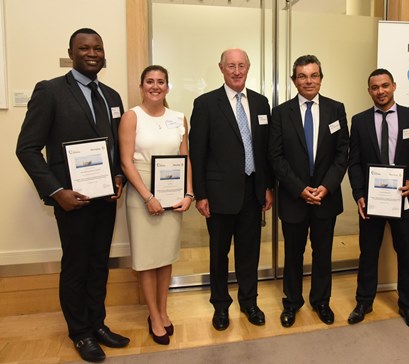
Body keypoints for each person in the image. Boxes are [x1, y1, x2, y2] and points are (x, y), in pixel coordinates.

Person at [15, 28, 129, 362]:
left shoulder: (111, 96)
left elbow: (114, 148)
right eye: (84, 48)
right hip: (72, 201)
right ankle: (80, 333)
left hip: (105, 199)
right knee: (76, 266)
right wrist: (56, 191)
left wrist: (119, 176)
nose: (92, 53)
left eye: (97, 48)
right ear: (71, 52)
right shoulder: (50, 91)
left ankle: (98, 324)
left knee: (99, 265)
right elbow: (27, 149)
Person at [189, 48, 273, 331]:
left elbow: (265, 152)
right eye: (231, 66)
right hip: (219, 194)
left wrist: (267, 188)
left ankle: (249, 302)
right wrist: (201, 194)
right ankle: (221, 306)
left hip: (253, 192)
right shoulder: (205, 104)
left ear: (249, 67)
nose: (236, 71)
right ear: (221, 68)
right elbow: (197, 153)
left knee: (249, 253)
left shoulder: (262, 103)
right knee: (219, 254)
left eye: (241, 66)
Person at [347, 68, 409, 332]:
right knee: (368, 254)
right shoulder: (359, 121)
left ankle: (408, 305)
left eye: (385, 86)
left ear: (394, 86)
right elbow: (354, 163)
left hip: (403, 200)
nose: (380, 91)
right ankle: (364, 302)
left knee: (406, 254)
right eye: (375, 87)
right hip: (372, 202)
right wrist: (359, 195)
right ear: (369, 91)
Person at [269, 55, 349, 327]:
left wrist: (326, 187)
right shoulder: (280, 113)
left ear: (321, 78)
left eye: (313, 75)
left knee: (323, 253)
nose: (308, 81)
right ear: (294, 80)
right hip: (294, 198)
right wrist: (300, 188)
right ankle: (291, 303)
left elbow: (342, 154)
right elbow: (276, 157)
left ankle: (321, 301)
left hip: (326, 198)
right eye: (302, 76)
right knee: (293, 254)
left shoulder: (336, 109)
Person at [118, 65, 193, 345]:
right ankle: (153, 314)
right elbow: (126, 162)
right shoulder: (131, 117)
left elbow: (185, 157)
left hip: (173, 193)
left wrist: (189, 193)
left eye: (161, 81)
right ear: (141, 86)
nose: (155, 86)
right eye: (149, 81)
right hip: (142, 195)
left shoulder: (179, 118)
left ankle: (163, 310)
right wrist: (148, 197)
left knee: (165, 257)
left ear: (167, 87)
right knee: (148, 260)